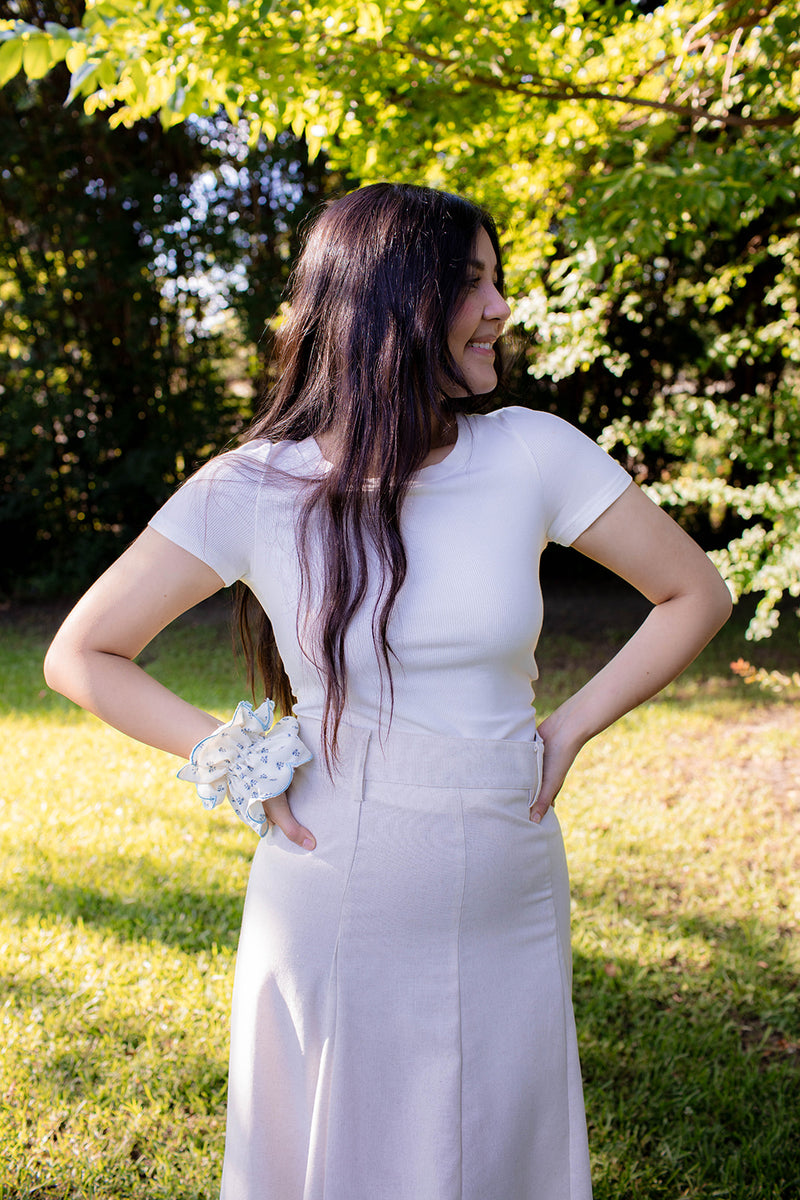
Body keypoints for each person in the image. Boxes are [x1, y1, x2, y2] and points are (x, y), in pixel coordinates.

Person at [44, 182, 732, 1200]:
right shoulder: (251, 487)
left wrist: (571, 728)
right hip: (334, 876)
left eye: (496, 280)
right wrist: (237, 765)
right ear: (385, 301)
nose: (499, 307)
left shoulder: (533, 453)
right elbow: (84, 653)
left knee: (501, 1137)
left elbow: (693, 591)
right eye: (469, 283)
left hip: (508, 863)